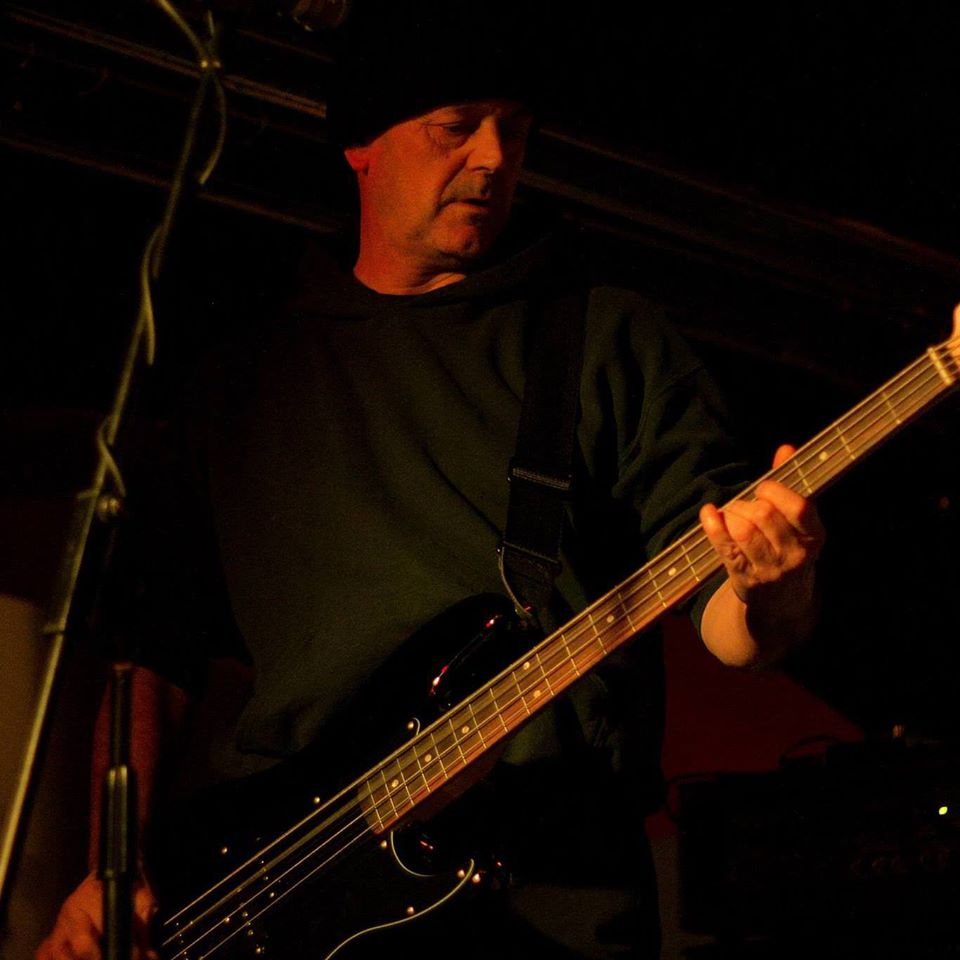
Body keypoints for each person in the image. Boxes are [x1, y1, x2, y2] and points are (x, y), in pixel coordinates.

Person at [37, 6, 824, 959]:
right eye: (457, 126)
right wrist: (111, 867)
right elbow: (154, 656)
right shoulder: (240, 378)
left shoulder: (601, 339)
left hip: (548, 907)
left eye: (514, 131)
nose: (494, 158)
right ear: (362, 146)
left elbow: (726, 614)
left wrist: (770, 593)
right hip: (271, 899)